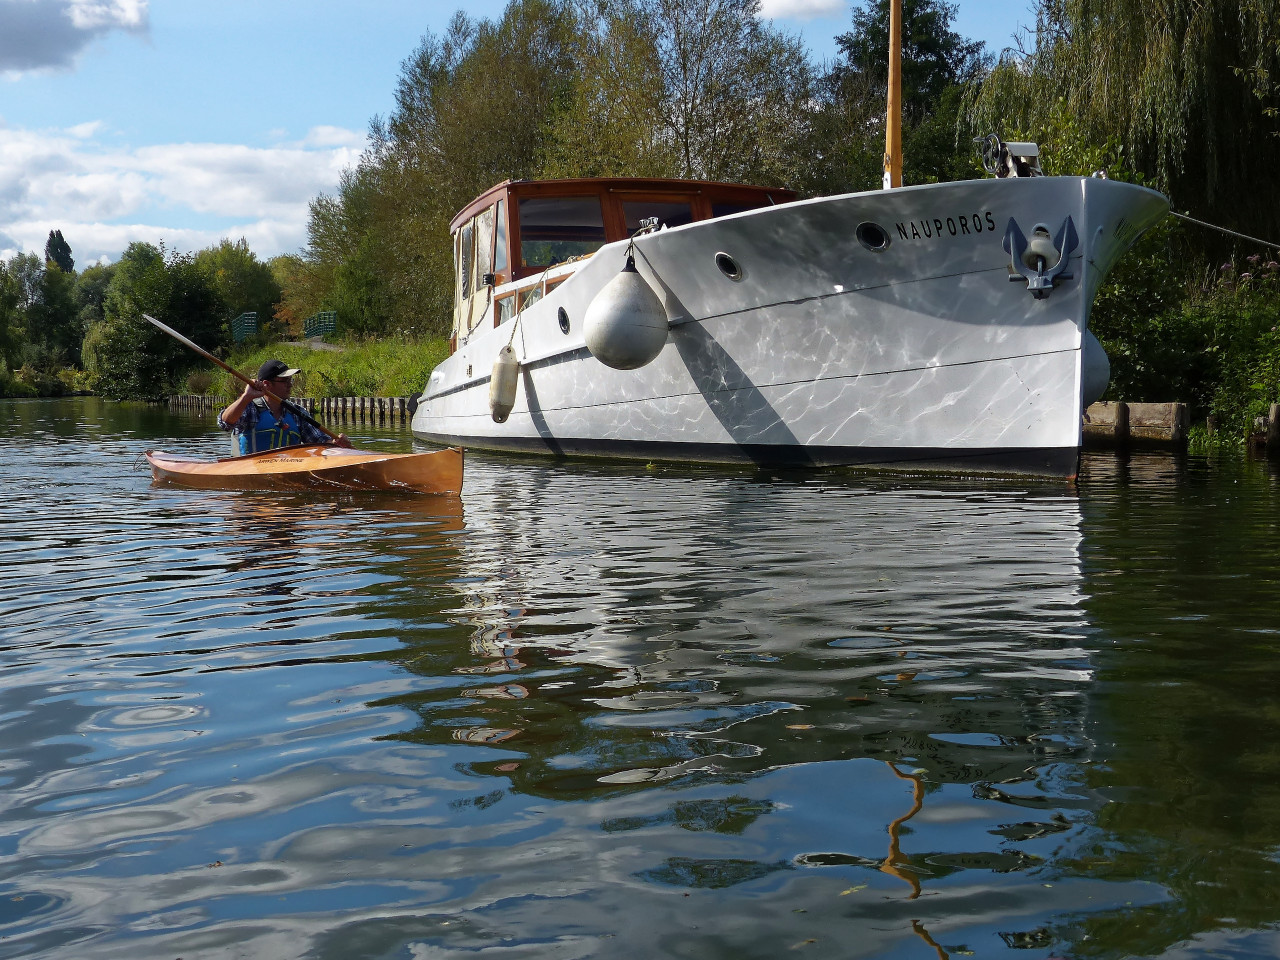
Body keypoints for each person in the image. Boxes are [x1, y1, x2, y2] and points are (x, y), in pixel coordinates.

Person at [218, 359, 351, 455]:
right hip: (252, 469)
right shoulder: (251, 408)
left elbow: (320, 440)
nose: (290, 385)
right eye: (284, 381)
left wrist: (334, 443)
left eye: (290, 380)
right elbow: (224, 423)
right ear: (267, 384)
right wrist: (246, 397)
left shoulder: (297, 412)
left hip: (287, 469)